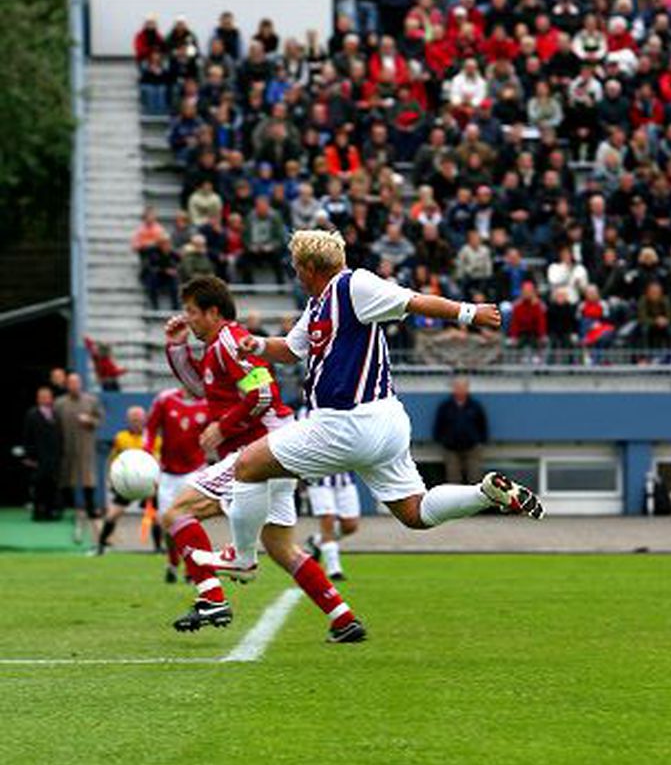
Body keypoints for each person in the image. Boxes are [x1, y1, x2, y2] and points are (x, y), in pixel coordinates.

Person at [207, 232, 542, 565]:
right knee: (415, 512)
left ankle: (242, 557)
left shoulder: (354, 285)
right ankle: (483, 493)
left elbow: (413, 300)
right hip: (383, 423)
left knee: (248, 466)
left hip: (347, 422)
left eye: (296, 267)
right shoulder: (318, 303)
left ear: (310, 268)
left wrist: (469, 313)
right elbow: (293, 350)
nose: (295, 274)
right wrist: (259, 346)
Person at [162, 275, 365, 642]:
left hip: (260, 453)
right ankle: (342, 618)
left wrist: (222, 428)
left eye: (192, 312)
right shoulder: (218, 348)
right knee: (280, 546)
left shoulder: (233, 341)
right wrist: (177, 350)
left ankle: (211, 597)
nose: (187, 318)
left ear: (212, 312)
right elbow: (202, 388)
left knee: (177, 512)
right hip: (276, 452)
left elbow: (264, 394)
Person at [144, 386, 210, 583]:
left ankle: (191, 569)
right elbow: (150, 429)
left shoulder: (208, 403)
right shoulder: (165, 399)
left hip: (195, 471)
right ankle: (173, 562)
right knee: (168, 523)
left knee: (190, 523)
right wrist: (147, 455)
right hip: (168, 474)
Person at [96, 407, 155, 556]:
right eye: (133, 419)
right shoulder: (120, 437)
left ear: (144, 419)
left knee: (157, 517)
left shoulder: (152, 437)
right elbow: (113, 459)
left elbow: (158, 460)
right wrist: (112, 478)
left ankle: (158, 548)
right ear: (128, 420)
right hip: (126, 484)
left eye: (139, 419)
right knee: (113, 514)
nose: (136, 422)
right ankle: (101, 546)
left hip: (147, 483)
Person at [55, 372, 104, 544]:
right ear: (67, 385)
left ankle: (90, 509)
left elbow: (100, 420)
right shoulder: (59, 403)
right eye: (71, 383)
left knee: (87, 478)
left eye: (77, 382)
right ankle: (67, 508)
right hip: (66, 446)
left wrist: (90, 420)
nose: (74, 386)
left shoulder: (91, 401)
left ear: (81, 384)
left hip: (85, 446)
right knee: (66, 477)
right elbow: (55, 425)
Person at [305, 472, 361, 582]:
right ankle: (334, 570)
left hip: (346, 480)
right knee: (328, 521)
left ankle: (315, 541)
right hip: (319, 480)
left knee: (350, 526)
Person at [433, 377, 489, 485]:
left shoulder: (475, 406)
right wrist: (441, 440)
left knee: (475, 478)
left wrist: (480, 440)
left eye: (463, 387)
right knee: (453, 480)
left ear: (467, 388)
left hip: (472, 448)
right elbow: (438, 425)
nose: (460, 389)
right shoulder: (445, 407)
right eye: (457, 387)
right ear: (453, 389)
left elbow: (482, 424)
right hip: (451, 449)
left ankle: (474, 501)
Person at [22, 387, 62, 521]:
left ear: (51, 398)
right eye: (42, 397)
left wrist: (60, 454)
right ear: (38, 399)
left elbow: (59, 436)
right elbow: (27, 437)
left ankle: (50, 511)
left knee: (52, 485)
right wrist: (29, 456)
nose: (45, 399)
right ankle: (38, 512)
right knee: (39, 486)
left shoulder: (56, 414)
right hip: (38, 458)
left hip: (54, 458)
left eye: (48, 397)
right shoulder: (32, 414)